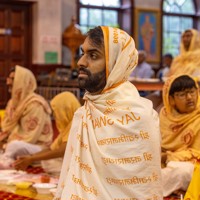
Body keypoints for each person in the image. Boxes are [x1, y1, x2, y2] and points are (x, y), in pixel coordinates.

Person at [53, 26, 162, 200]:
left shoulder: (141, 117)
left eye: (93, 55)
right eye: (82, 53)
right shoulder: (83, 113)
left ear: (116, 64)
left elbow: (142, 188)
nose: (81, 62)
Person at [13, 91, 81, 175]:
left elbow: (62, 151)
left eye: (57, 112)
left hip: (81, 170)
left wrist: (31, 159)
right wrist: (30, 157)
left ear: (65, 110)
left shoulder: (78, 124)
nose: (55, 117)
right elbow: (51, 149)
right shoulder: (67, 128)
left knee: (49, 160)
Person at [0, 65, 53, 169]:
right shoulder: (12, 103)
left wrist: (5, 145)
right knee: (11, 146)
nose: (8, 82)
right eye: (9, 78)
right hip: (13, 143)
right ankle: (7, 161)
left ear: (23, 81)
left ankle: (6, 163)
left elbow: (30, 137)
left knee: (14, 146)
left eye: (12, 79)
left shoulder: (36, 104)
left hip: (37, 146)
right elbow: (6, 128)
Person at [160, 74, 200, 197]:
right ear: (171, 99)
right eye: (182, 95)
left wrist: (169, 157)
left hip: (194, 168)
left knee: (181, 171)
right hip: (167, 165)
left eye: (192, 92)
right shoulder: (163, 117)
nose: (189, 98)